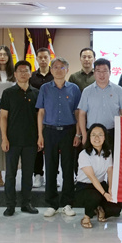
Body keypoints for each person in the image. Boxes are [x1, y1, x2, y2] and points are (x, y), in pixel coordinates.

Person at [36, 57, 82, 218]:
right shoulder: (45, 88)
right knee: (50, 167)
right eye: (55, 67)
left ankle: (67, 203)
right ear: (51, 70)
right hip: (50, 132)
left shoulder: (74, 89)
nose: (58, 70)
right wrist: (40, 135)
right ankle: (52, 204)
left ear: (67, 70)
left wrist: (78, 133)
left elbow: (77, 113)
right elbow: (41, 112)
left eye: (62, 67)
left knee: (68, 168)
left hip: (69, 131)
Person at [0, 60, 40, 217]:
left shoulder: (36, 93)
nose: (23, 73)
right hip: (12, 140)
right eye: (20, 71)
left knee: (28, 174)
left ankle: (26, 203)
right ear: (15, 74)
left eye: (26, 71)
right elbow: (3, 117)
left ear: (30, 73)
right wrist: (4, 138)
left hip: (31, 140)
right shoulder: (8, 93)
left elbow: (40, 117)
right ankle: (10, 205)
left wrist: (40, 137)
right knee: (10, 174)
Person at [76, 123, 121, 228]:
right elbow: (92, 177)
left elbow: (110, 171)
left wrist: (110, 188)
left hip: (101, 184)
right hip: (84, 186)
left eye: (100, 135)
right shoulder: (84, 154)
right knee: (94, 197)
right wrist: (104, 194)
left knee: (115, 209)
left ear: (105, 137)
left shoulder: (108, 152)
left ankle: (99, 208)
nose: (97, 138)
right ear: (89, 137)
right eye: (93, 135)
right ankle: (86, 217)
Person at [77, 58, 122, 147]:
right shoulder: (87, 91)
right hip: (92, 133)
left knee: (112, 156)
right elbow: (81, 114)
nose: (102, 74)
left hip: (112, 132)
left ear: (110, 72)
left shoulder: (118, 90)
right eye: (98, 71)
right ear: (94, 73)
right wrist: (84, 135)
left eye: (105, 71)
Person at [29, 47, 54, 189]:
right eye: (40, 57)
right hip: (35, 116)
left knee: (51, 147)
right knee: (37, 147)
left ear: (50, 58)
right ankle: (38, 174)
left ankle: (52, 175)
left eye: (46, 57)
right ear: (36, 59)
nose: (43, 60)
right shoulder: (31, 77)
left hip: (52, 116)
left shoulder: (55, 75)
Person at [0, 45, 15, 187]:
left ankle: (10, 173)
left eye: (5, 54)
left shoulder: (14, 72)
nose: (2, 57)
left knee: (11, 141)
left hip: (11, 110)